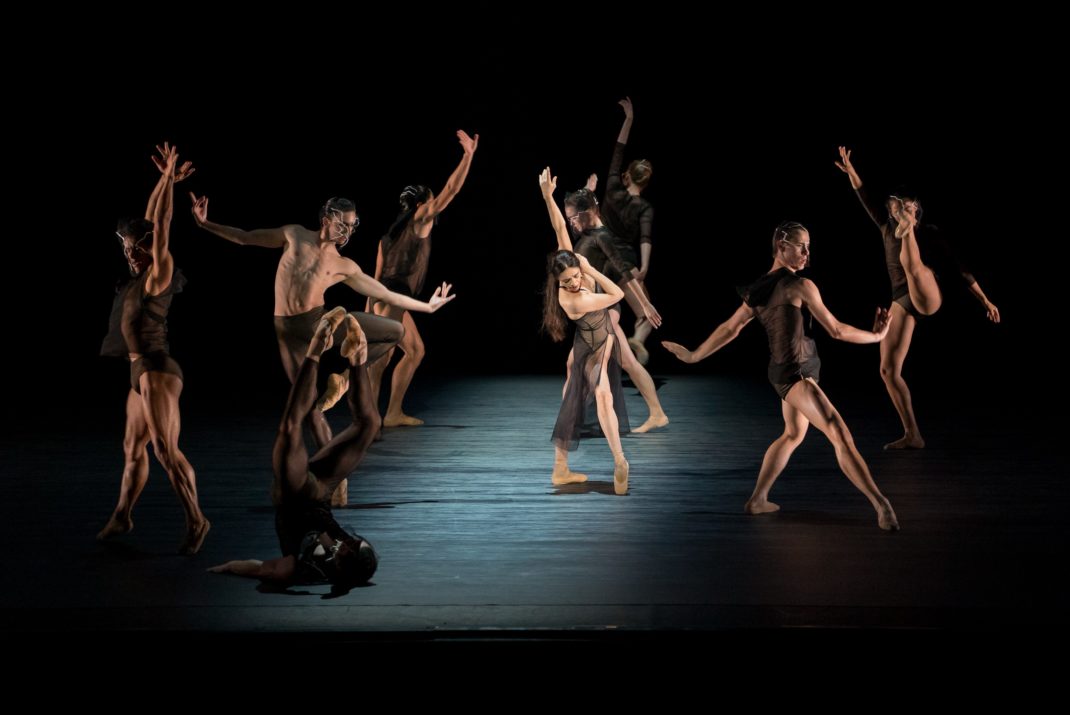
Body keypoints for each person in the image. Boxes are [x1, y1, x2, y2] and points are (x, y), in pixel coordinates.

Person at [190, 193, 456, 503]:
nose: (348, 232)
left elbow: (386, 293)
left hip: (321, 325)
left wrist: (427, 306)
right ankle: (337, 481)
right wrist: (205, 223)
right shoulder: (293, 235)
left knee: (394, 331)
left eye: (353, 226)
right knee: (310, 408)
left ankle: (344, 379)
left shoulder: (343, 265)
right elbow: (245, 238)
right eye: (344, 225)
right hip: (287, 332)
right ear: (326, 220)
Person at [663, 221, 900, 530]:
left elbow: (730, 327)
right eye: (801, 246)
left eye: (809, 247)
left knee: (793, 434)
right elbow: (837, 330)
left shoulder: (759, 288)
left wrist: (695, 356)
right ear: (781, 246)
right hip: (796, 375)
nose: (807, 253)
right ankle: (882, 506)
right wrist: (877, 337)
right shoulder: (801, 286)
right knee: (839, 433)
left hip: (782, 374)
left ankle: (758, 500)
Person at [835, 147, 1000, 449]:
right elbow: (865, 197)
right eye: (901, 209)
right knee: (887, 370)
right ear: (892, 211)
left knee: (913, 268)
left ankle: (907, 236)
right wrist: (851, 171)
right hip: (902, 299)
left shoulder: (931, 232)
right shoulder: (885, 227)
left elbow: (960, 269)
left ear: (915, 212)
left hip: (926, 292)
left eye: (911, 209)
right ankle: (913, 434)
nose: (906, 210)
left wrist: (985, 300)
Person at [208, 309, 379, 586]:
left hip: (293, 495)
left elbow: (266, 569)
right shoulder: (350, 549)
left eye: (348, 550)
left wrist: (228, 567)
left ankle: (317, 347)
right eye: (353, 543)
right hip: (320, 494)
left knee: (290, 428)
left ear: (341, 565)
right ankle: (358, 356)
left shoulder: (306, 568)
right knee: (369, 425)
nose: (348, 543)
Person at [98, 143, 211, 554]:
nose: (130, 254)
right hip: (137, 372)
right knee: (132, 449)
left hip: (158, 369)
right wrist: (161, 180)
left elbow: (160, 224)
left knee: (165, 449)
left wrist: (168, 179)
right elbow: (149, 218)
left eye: (135, 247)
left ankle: (197, 520)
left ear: (148, 247)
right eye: (125, 247)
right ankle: (123, 515)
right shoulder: (134, 277)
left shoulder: (158, 273)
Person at [542, 169, 669, 433]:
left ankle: (575, 419)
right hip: (597, 307)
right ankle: (656, 412)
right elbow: (559, 226)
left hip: (604, 309)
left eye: (574, 218)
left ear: (587, 213)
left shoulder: (602, 237)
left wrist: (645, 303)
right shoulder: (587, 235)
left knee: (580, 364)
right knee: (627, 363)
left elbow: (624, 270)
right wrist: (552, 196)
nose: (571, 223)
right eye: (570, 218)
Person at [367, 130, 478, 426]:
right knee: (382, 358)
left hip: (386, 297)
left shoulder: (387, 237)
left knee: (414, 351)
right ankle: (367, 420)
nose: (434, 208)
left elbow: (374, 281)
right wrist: (468, 156)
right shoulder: (419, 219)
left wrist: (369, 310)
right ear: (421, 205)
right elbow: (450, 191)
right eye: (431, 203)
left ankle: (391, 413)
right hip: (393, 297)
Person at [541, 177, 630, 494]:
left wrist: (547, 196)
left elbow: (558, 228)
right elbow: (617, 293)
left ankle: (561, 469)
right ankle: (620, 462)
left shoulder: (570, 262)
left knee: (573, 401)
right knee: (603, 398)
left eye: (575, 276)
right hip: (591, 348)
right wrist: (590, 271)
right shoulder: (574, 298)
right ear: (559, 283)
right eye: (567, 281)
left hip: (589, 342)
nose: (574, 282)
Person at [590, 97, 658, 365]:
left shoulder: (613, 188)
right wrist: (644, 268)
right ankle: (636, 342)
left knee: (598, 312)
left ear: (627, 175)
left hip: (598, 258)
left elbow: (619, 150)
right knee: (647, 316)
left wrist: (628, 119)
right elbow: (645, 239)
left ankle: (601, 355)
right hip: (625, 265)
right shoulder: (645, 208)